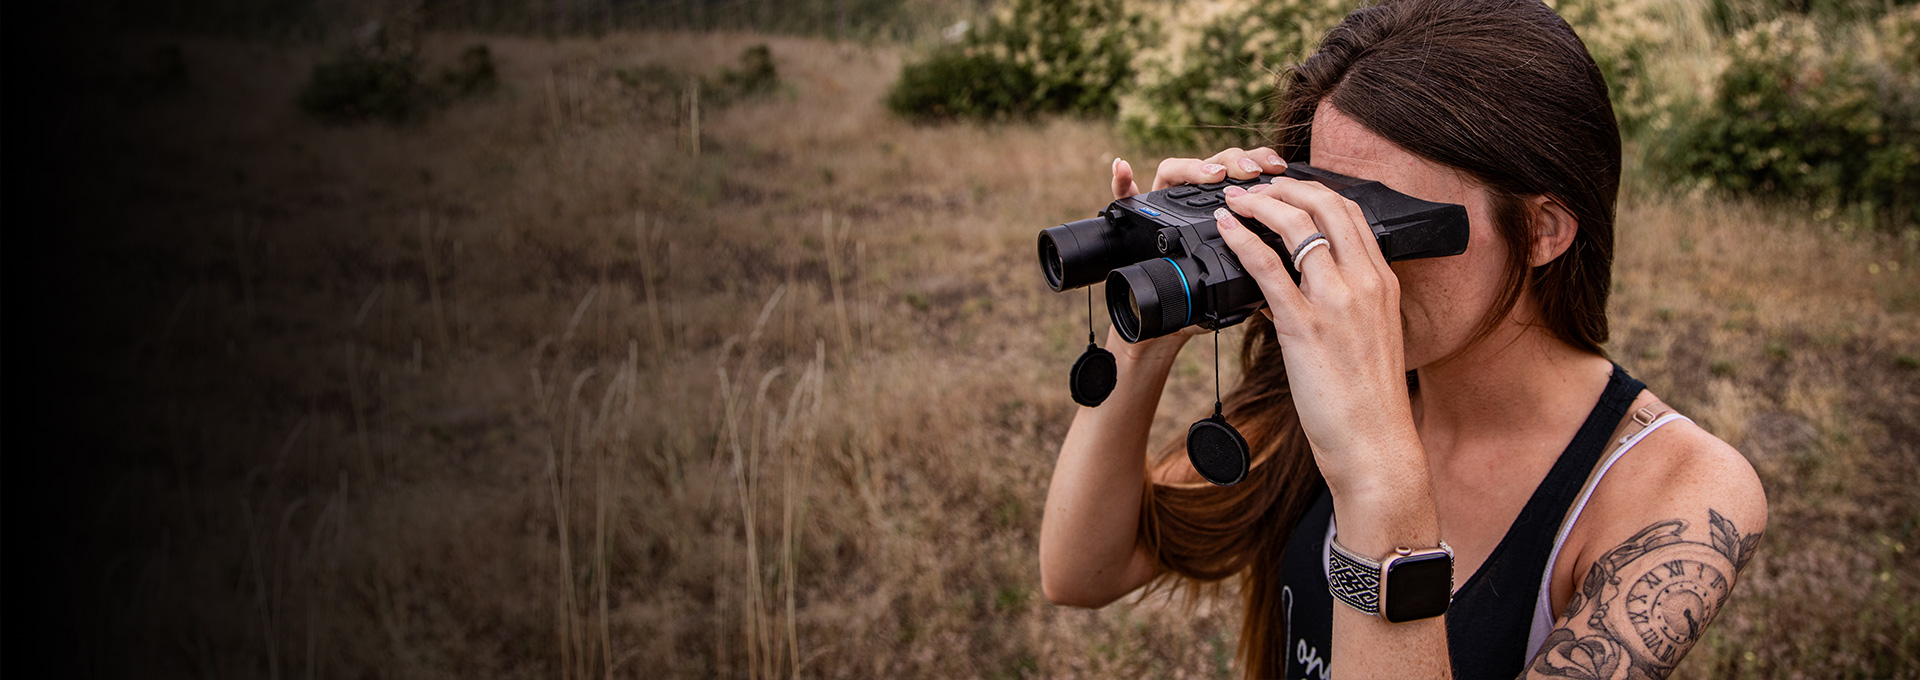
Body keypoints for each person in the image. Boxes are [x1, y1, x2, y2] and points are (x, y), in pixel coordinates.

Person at [1036, 0, 1768, 677]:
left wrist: (1379, 476)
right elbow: (1083, 571)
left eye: (1382, 225)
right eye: (1321, 208)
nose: (1336, 261)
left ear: (1544, 229)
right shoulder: (1329, 393)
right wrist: (1163, 309)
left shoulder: (1676, 494)